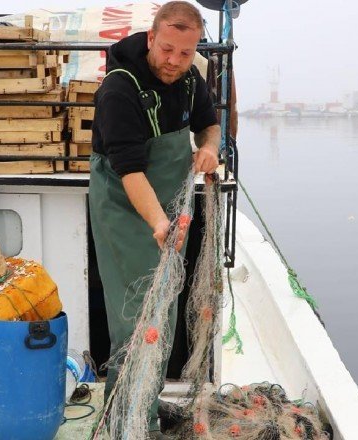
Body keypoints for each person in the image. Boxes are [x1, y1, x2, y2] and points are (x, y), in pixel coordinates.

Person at [88, 1, 220, 437]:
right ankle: (125, 421)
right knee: (135, 318)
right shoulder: (118, 90)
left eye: (185, 53)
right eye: (167, 50)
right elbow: (129, 171)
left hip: (169, 211)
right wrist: (159, 224)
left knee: (160, 317)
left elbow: (209, 124)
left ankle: (143, 408)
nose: (174, 61)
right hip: (129, 209)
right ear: (151, 39)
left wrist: (208, 148)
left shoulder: (189, 80)